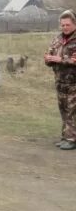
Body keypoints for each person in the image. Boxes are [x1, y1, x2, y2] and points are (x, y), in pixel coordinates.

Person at [44, 9, 76, 150]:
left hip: (74, 83)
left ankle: (72, 139)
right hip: (60, 82)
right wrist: (48, 59)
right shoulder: (57, 39)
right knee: (63, 110)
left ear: (74, 24)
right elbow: (50, 53)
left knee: (72, 111)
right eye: (62, 25)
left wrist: (60, 59)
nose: (64, 27)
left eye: (67, 25)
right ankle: (65, 136)